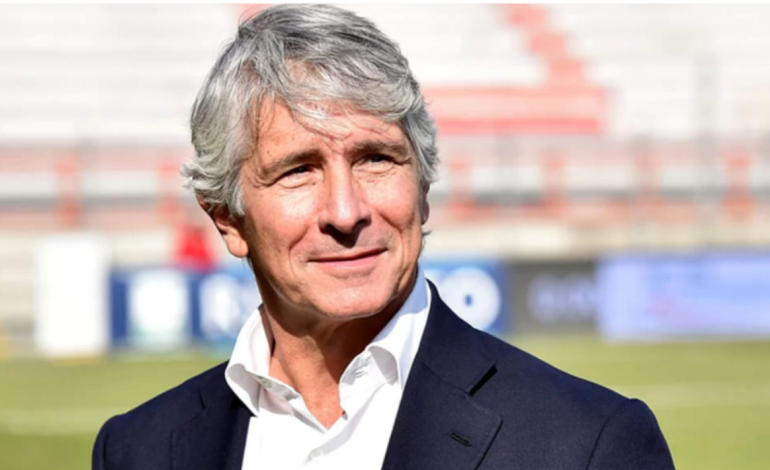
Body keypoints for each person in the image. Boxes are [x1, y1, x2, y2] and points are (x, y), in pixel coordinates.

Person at [92, 5, 675, 470]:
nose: (346, 212)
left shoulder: (588, 445)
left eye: (376, 158)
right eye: (298, 170)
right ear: (227, 219)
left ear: (423, 188)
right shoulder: (138, 451)